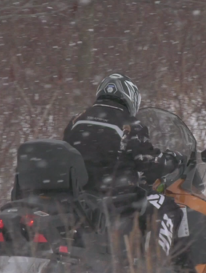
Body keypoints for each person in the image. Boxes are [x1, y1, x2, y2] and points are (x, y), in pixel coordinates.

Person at [62, 73, 183, 257]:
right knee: (166, 206)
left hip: (80, 196)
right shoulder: (130, 125)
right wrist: (171, 160)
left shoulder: (76, 120)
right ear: (130, 97)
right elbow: (150, 165)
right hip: (114, 197)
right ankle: (157, 270)